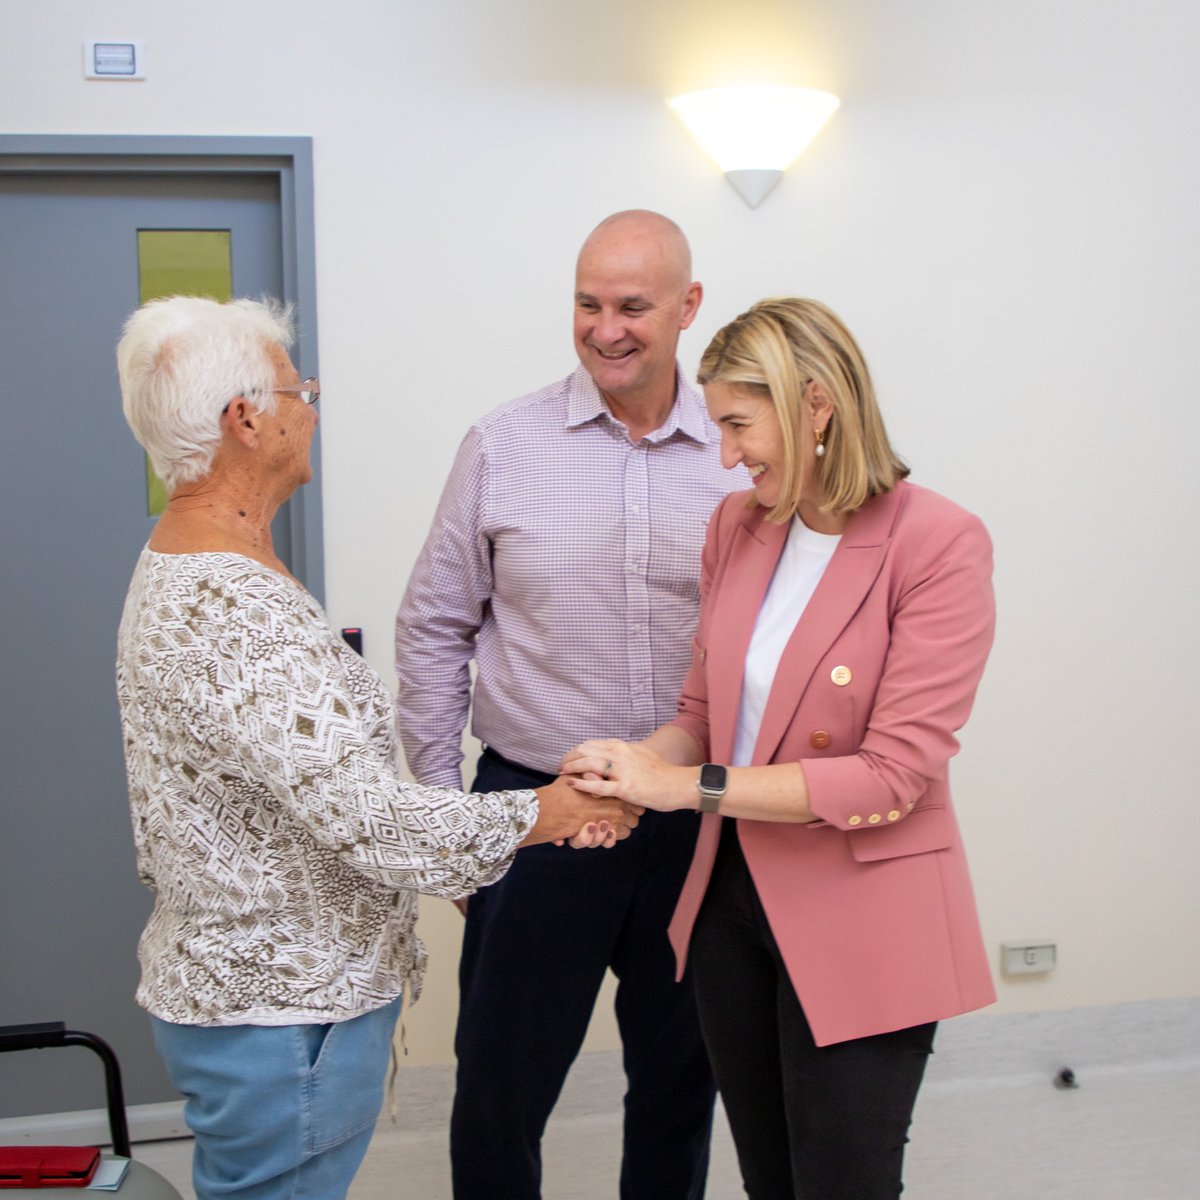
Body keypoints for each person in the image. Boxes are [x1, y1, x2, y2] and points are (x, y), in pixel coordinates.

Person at [114, 295, 636, 1200]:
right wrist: (549, 812)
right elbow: (371, 821)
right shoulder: (236, 608)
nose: (311, 410)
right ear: (245, 419)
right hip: (281, 1017)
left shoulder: (193, 559)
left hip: (258, 1006)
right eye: (299, 391)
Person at [563, 297, 997, 1200]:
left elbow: (891, 776)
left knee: (842, 1183)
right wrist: (628, 773)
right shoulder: (738, 527)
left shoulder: (937, 543)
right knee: (771, 1181)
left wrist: (681, 787)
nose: (726, 454)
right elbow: (702, 713)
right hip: (733, 904)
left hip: (865, 912)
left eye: (738, 425)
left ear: (816, 406)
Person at [395, 210, 743, 1199]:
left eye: (633, 306)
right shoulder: (502, 444)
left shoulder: (737, 454)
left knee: (679, 1086)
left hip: (690, 813)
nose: (606, 329)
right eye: (588, 304)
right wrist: (448, 819)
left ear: (689, 305)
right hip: (536, 811)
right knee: (498, 1094)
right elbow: (433, 625)